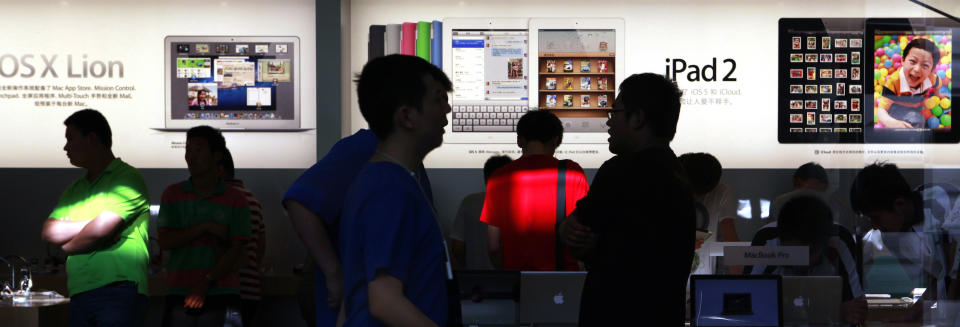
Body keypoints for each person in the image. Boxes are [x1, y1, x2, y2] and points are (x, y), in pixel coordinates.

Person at [558, 73, 696, 325]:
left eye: (615, 112)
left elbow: (576, 232)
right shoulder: (677, 173)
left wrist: (570, 231)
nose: (609, 123)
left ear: (638, 118)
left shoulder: (620, 170)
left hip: (615, 312)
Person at [338, 54, 453, 326]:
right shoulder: (389, 189)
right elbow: (384, 301)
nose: (446, 109)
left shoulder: (382, 180)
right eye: (438, 99)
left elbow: (352, 299)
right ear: (406, 116)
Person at [41, 109, 150, 327]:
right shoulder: (76, 188)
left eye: (71, 139)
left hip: (120, 289)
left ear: (92, 139)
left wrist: (67, 247)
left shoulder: (127, 178)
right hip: (80, 291)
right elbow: (49, 231)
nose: (65, 147)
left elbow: (100, 230)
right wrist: (93, 226)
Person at [157, 125, 251, 327]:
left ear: (217, 156)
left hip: (223, 292)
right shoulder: (172, 194)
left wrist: (206, 282)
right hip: (179, 290)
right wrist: (204, 227)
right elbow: (165, 241)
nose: (190, 156)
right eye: (188, 149)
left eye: (198, 149)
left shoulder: (236, 198)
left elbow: (236, 251)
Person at [850, 163, 960, 321]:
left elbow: (953, 273)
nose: (874, 226)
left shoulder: (944, 201)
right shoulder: (892, 236)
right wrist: (910, 313)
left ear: (900, 204)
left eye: (876, 217)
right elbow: (937, 281)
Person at [481, 110, 588, 271]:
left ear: (519, 140)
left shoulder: (498, 177)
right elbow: (582, 232)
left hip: (518, 279)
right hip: (562, 277)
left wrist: (506, 274)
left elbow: (493, 247)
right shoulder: (572, 173)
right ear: (555, 140)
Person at [748, 195, 866, 325]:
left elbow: (857, 308)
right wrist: (836, 311)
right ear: (780, 242)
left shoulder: (839, 240)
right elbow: (747, 301)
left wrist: (848, 313)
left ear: (824, 243)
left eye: (809, 252)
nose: (802, 261)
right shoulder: (767, 240)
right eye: (794, 253)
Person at [220, 149, 266, 327]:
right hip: (250, 291)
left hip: (225, 293)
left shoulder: (221, 199)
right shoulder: (252, 199)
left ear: (219, 169)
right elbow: (260, 246)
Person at [450, 155, 513, 270]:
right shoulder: (520, 206)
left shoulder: (469, 202)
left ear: (485, 178)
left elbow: (457, 247)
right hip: (510, 279)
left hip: (475, 281)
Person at [876, 38, 944, 128]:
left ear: (931, 70)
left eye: (925, 65)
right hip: (896, 107)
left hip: (918, 106)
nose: (917, 69)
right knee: (917, 120)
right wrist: (892, 122)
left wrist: (938, 94)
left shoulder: (931, 78)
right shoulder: (893, 82)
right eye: (912, 61)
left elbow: (938, 84)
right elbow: (881, 110)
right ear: (902, 60)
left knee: (920, 119)